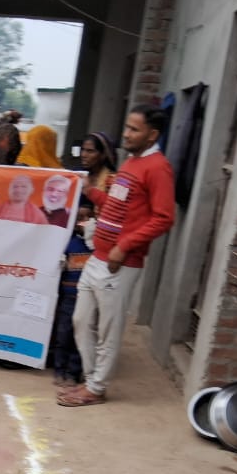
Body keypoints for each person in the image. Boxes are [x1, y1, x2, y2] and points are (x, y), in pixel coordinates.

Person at [60, 104, 175, 407]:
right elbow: (118, 204)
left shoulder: (158, 168)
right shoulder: (132, 163)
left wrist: (124, 247)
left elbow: (164, 218)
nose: (126, 134)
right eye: (127, 127)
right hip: (98, 255)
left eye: (134, 129)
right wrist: (92, 192)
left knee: (108, 329)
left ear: (152, 135)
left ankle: (96, 388)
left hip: (119, 262)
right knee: (81, 320)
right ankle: (90, 381)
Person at [50, 200, 95, 388]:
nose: (82, 221)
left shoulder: (96, 246)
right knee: (63, 336)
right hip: (68, 298)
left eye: (87, 217)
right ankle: (59, 371)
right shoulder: (68, 243)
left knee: (81, 338)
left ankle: (73, 373)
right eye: (79, 217)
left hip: (88, 299)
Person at [80, 130, 118, 200]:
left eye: (90, 151)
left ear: (103, 155)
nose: (83, 155)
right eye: (82, 149)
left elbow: (113, 205)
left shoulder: (112, 181)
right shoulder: (78, 176)